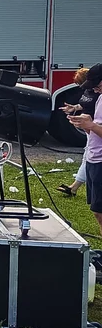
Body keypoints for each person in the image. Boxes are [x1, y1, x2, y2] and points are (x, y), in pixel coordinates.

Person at [68, 64, 102, 236]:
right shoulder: (100, 98)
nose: (95, 89)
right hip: (93, 158)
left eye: (97, 84)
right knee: (97, 211)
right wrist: (84, 124)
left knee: (100, 211)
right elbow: (95, 129)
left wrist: (90, 125)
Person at [59, 67, 99, 198]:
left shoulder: (98, 95)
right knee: (87, 156)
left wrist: (91, 124)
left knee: (89, 157)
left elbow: (92, 106)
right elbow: (85, 104)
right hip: (90, 130)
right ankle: (74, 187)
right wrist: (74, 107)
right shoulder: (89, 91)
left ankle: (74, 187)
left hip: (94, 129)